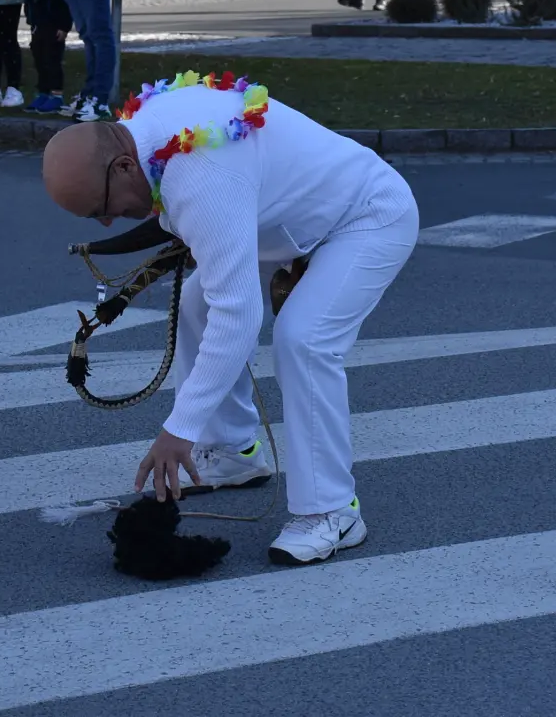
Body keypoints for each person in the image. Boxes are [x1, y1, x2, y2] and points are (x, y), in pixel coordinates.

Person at [42, 74, 419, 565]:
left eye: (101, 209)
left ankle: (332, 511)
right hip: (285, 221)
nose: (109, 223)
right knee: (199, 303)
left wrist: (179, 429)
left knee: (303, 340)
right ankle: (233, 453)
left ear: (124, 164)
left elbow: (240, 316)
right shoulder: (140, 133)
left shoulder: (199, 174)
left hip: (367, 216)